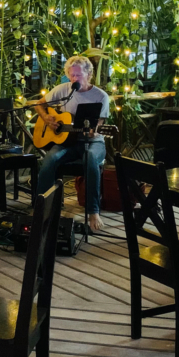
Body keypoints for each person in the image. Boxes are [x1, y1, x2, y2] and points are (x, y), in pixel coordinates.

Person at [32, 55, 110, 234]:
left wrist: (93, 131)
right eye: (71, 75)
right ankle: (42, 207)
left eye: (78, 75)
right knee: (50, 159)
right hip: (68, 142)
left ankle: (93, 212)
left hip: (93, 141)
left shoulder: (100, 96)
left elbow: (99, 125)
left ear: (88, 74)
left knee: (90, 158)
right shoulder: (63, 90)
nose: (74, 79)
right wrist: (47, 118)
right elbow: (39, 104)